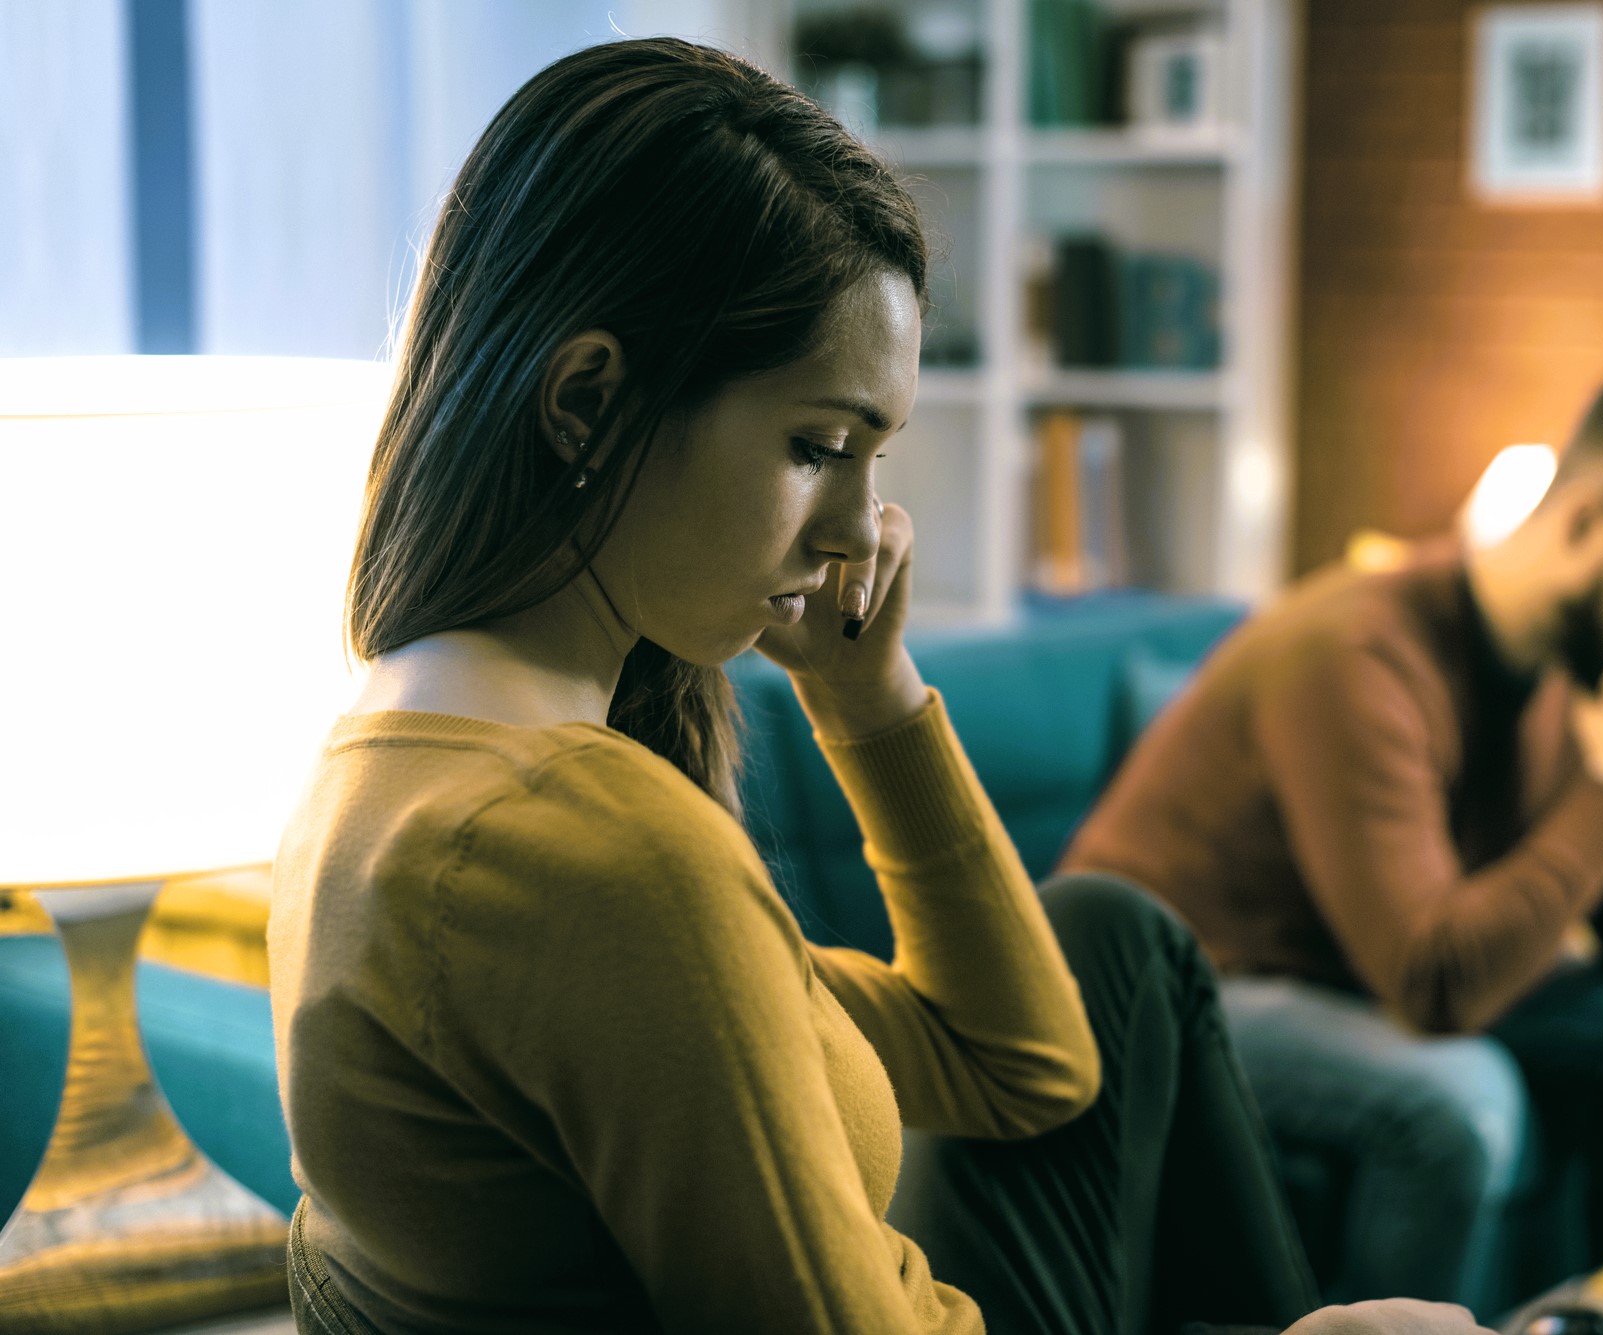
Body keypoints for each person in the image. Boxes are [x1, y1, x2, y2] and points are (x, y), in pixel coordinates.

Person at [267, 37, 1490, 1335]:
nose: (864, 528)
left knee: (1116, 937)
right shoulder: (607, 860)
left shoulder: (400, 757)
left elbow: (1026, 1063)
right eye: (815, 445)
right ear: (586, 398)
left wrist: (872, 702)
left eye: (874, 455)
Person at [1062, 368, 1603, 1313]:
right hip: (1169, 992)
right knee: (1456, 1098)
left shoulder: (1569, 659)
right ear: (1585, 524)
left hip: (1344, 970)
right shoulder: (1358, 652)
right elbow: (1435, 982)